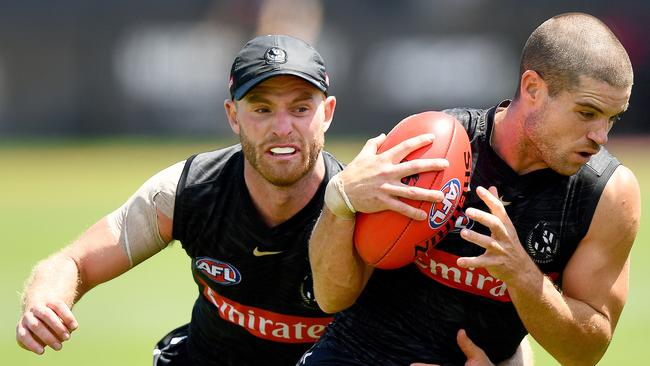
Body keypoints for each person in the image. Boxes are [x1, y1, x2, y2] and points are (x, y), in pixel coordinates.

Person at [305, 12, 639, 366]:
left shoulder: (607, 193)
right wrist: (340, 201)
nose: (600, 137)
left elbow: (585, 353)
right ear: (533, 89)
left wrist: (521, 274)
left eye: (612, 118)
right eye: (587, 113)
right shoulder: (430, 146)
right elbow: (332, 297)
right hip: (353, 357)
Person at [16, 34, 342, 366]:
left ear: (326, 113)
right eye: (262, 108)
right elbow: (75, 261)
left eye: (300, 108)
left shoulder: (361, 210)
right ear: (233, 116)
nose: (282, 127)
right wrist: (44, 299)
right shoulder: (190, 190)